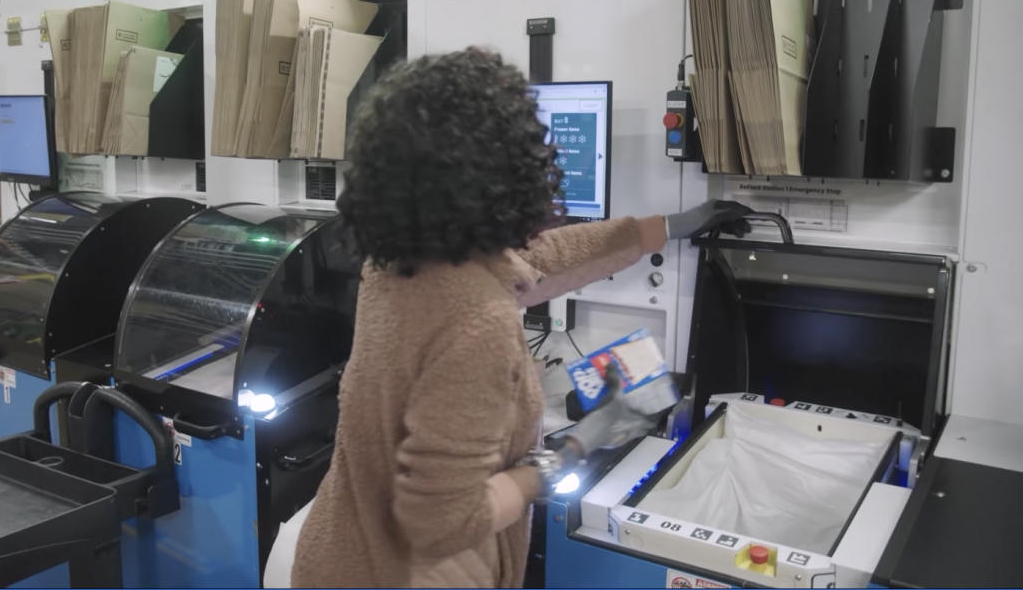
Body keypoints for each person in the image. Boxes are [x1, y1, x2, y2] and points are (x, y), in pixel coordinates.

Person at [291, 48, 752, 589]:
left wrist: (670, 225)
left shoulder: (395, 262)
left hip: (336, 556)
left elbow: (541, 259)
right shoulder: (477, 320)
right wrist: (578, 446)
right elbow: (442, 523)